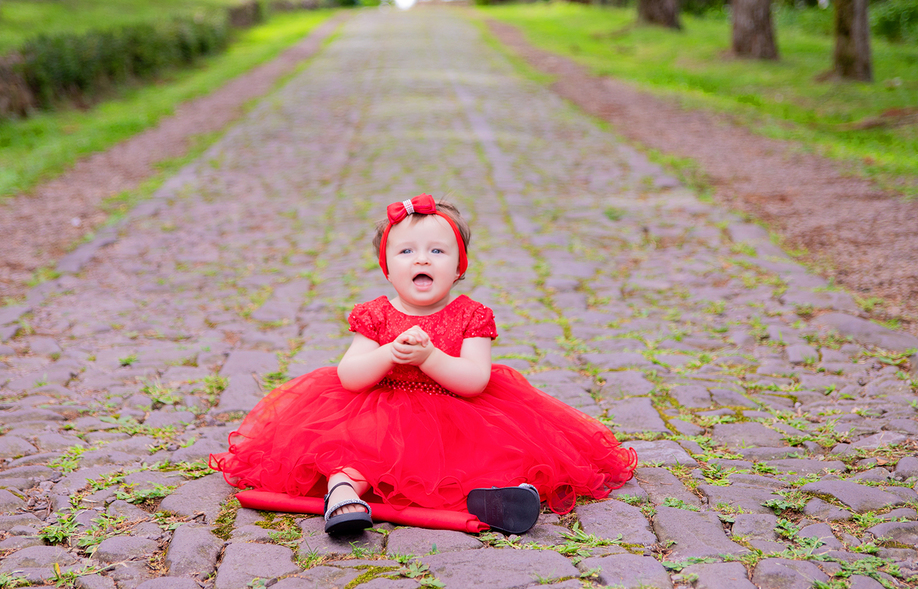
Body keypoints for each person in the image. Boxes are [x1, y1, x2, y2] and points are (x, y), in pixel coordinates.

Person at [209, 194, 638, 537]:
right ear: (388, 267)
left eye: (437, 250)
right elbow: (350, 376)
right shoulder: (376, 316)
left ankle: (502, 495)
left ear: (458, 268)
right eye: (407, 251)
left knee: (482, 455)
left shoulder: (472, 315)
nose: (422, 259)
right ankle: (343, 495)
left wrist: (430, 357)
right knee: (354, 450)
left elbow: (474, 381)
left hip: (456, 415)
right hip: (378, 412)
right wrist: (388, 354)